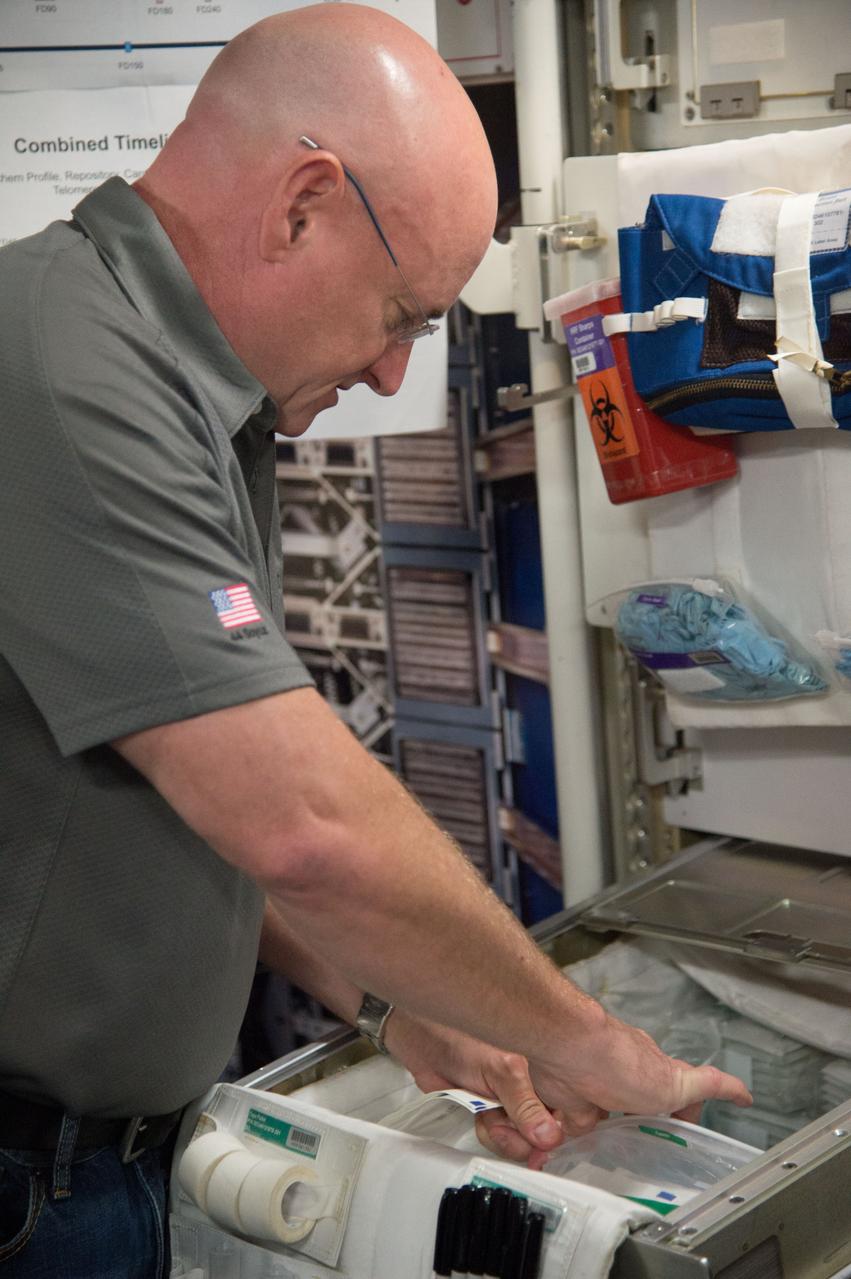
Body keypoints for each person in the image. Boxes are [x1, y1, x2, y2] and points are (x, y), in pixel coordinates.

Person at [0, 6, 751, 1275]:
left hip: (94, 1167)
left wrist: (401, 1004)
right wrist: (591, 1045)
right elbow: (301, 823)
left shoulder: (184, 386)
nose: (395, 375)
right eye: (403, 313)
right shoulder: (68, 372)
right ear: (303, 205)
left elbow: (187, 797)